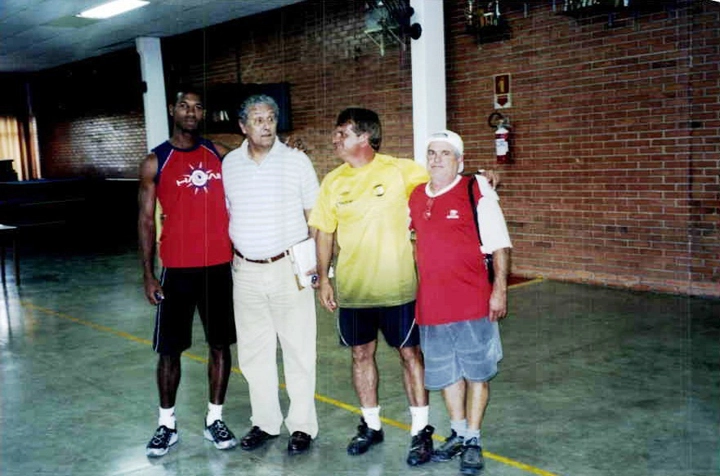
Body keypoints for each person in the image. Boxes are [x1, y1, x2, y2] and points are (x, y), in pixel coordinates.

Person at [309, 107, 434, 466]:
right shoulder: (333, 181)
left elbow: (441, 183)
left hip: (398, 289)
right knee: (360, 355)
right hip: (353, 290)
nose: (335, 139)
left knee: (410, 356)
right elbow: (324, 232)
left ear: (364, 137)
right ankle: (371, 424)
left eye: (341, 133)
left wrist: (478, 181)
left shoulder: (400, 170)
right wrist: (323, 279)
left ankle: (421, 430)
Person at [138, 87, 238, 457]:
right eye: (184, 105)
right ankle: (167, 424)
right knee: (169, 351)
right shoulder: (155, 161)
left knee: (219, 345)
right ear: (172, 110)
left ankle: (215, 419)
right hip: (176, 270)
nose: (191, 112)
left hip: (218, 268)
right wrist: (149, 274)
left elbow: (258, 167)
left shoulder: (220, 154)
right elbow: (146, 222)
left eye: (198, 107)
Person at [408, 130, 512, 476]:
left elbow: (499, 245)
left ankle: (473, 439)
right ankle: (456, 432)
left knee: (477, 373)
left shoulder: (476, 190)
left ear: (460, 161)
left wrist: (499, 291)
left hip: (472, 302)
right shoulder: (415, 196)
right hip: (433, 306)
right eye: (432, 153)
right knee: (448, 375)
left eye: (445, 153)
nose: (436, 159)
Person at [222, 94, 320, 455]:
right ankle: (264, 422)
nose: (266, 126)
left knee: (298, 350)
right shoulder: (229, 165)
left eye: (270, 119)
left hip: (289, 268)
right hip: (245, 270)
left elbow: (317, 221)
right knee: (253, 353)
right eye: (257, 120)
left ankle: (302, 426)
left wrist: (316, 270)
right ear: (243, 126)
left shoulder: (297, 161)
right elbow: (229, 213)